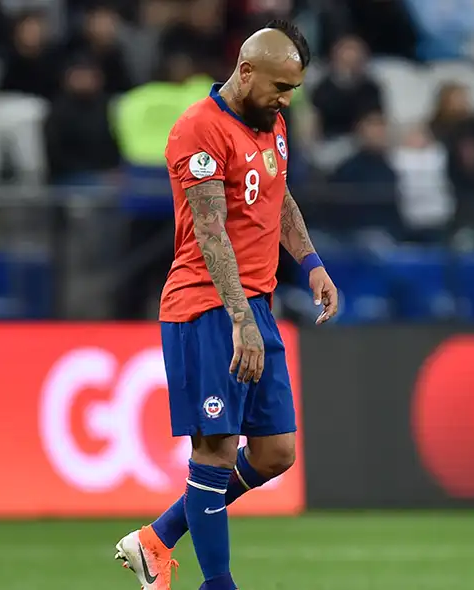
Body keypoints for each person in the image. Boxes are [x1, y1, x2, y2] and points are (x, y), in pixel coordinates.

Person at [113, 20, 339, 590]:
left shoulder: (273, 123)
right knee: (214, 452)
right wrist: (240, 319)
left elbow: (279, 194)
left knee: (275, 453)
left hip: (254, 304)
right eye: (280, 88)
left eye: (293, 90)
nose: (286, 100)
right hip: (206, 306)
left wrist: (311, 263)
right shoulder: (199, 130)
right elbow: (211, 236)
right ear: (245, 72)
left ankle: (157, 538)